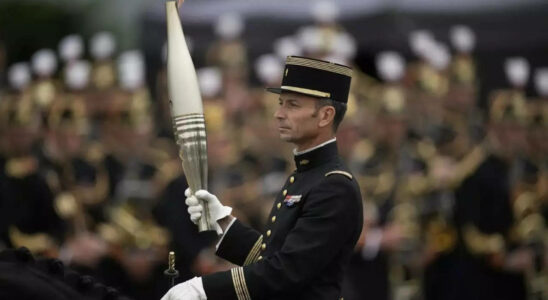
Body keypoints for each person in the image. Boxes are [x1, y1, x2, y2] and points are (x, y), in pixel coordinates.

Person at [162, 56, 363, 300]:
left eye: (293, 105)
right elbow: (270, 256)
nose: (278, 114)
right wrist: (223, 222)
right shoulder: (305, 176)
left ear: (325, 116)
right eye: (281, 103)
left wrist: (204, 288)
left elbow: (286, 271)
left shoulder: (334, 186)